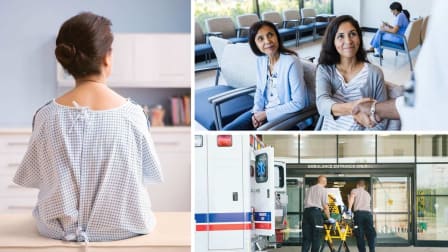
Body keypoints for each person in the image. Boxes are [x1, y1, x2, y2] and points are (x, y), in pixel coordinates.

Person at [13, 12, 163, 242]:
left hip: (57, 232)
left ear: (66, 60)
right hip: (125, 230)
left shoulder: (45, 116)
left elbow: (35, 175)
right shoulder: (134, 115)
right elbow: (147, 172)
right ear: (107, 57)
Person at [352, 0, 448, 131]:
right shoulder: (403, 15)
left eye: (392, 11)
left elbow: (395, 30)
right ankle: (374, 49)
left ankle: (373, 48)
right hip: (404, 38)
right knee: (381, 31)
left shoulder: (402, 16)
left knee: (380, 32)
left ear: (395, 10)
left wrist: (385, 28)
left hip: (400, 39)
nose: (392, 13)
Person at [223, 20, 310, 130]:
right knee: (227, 131)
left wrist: (265, 114)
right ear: (255, 44)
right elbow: (259, 90)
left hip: (288, 116)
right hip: (264, 110)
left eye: (270, 35)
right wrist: (256, 112)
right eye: (261, 39)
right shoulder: (261, 60)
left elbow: (298, 103)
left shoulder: (291, 62)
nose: (268, 41)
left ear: (277, 37)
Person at [316, 15, 388, 130]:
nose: (348, 41)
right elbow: (322, 104)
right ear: (332, 42)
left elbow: (382, 118)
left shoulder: (375, 73)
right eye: (340, 36)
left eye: (353, 34)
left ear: (359, 38)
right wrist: (354, 108)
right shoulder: (325, 69)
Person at [302, 176, 335, 252]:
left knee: (306, 238)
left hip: (306, 213)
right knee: (316, 237)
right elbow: (325, 206)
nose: (326, 182)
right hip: (316, 213)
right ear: (323, 181)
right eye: (326, 181)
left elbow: (305, 201)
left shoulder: (310, 189)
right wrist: (329, 217)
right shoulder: (323, 190)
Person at [347, 180, 376, 252]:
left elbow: (351, 198)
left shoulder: (355, 190)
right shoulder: (368, 194)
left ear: (357, 185)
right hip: (368, 215)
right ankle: (372, 250)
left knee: (360, 234)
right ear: (364, 186)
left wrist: (349, 209)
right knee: (370, 234)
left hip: (359, 215)